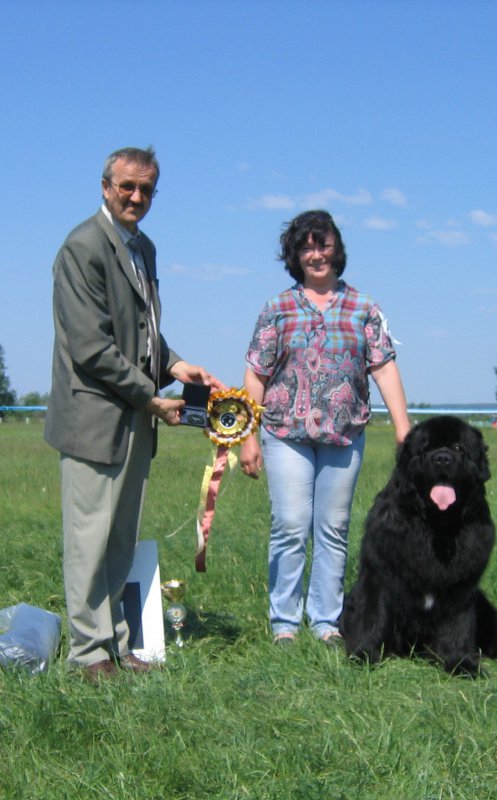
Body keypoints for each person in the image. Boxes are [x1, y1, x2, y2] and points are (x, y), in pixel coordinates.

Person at [44, 147, 225, 679]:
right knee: (89, 541)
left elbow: (141, 333)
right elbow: (91, 349)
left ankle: (118, 644)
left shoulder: (143, 247)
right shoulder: (82, 248)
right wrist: (151, 397)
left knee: (120, 539)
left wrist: (177, 364)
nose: (136, 197)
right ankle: (88, 654)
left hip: (133, 422)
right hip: (94, 422)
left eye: (146, 189)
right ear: (105, 186)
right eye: (127, 187)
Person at [240, 210, 411, 646]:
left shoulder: (364, 308)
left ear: (337, 248)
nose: (315, 254)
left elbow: (384, 368)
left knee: (333, 528)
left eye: (323, 244)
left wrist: (403, 429)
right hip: (284, 434)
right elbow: (256, 374)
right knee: (291, 525)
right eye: (306, 246)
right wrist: (247, 439)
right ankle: (284, 623)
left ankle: (325, 622)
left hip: (345, 435)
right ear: (294, 255)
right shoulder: (277, 308)